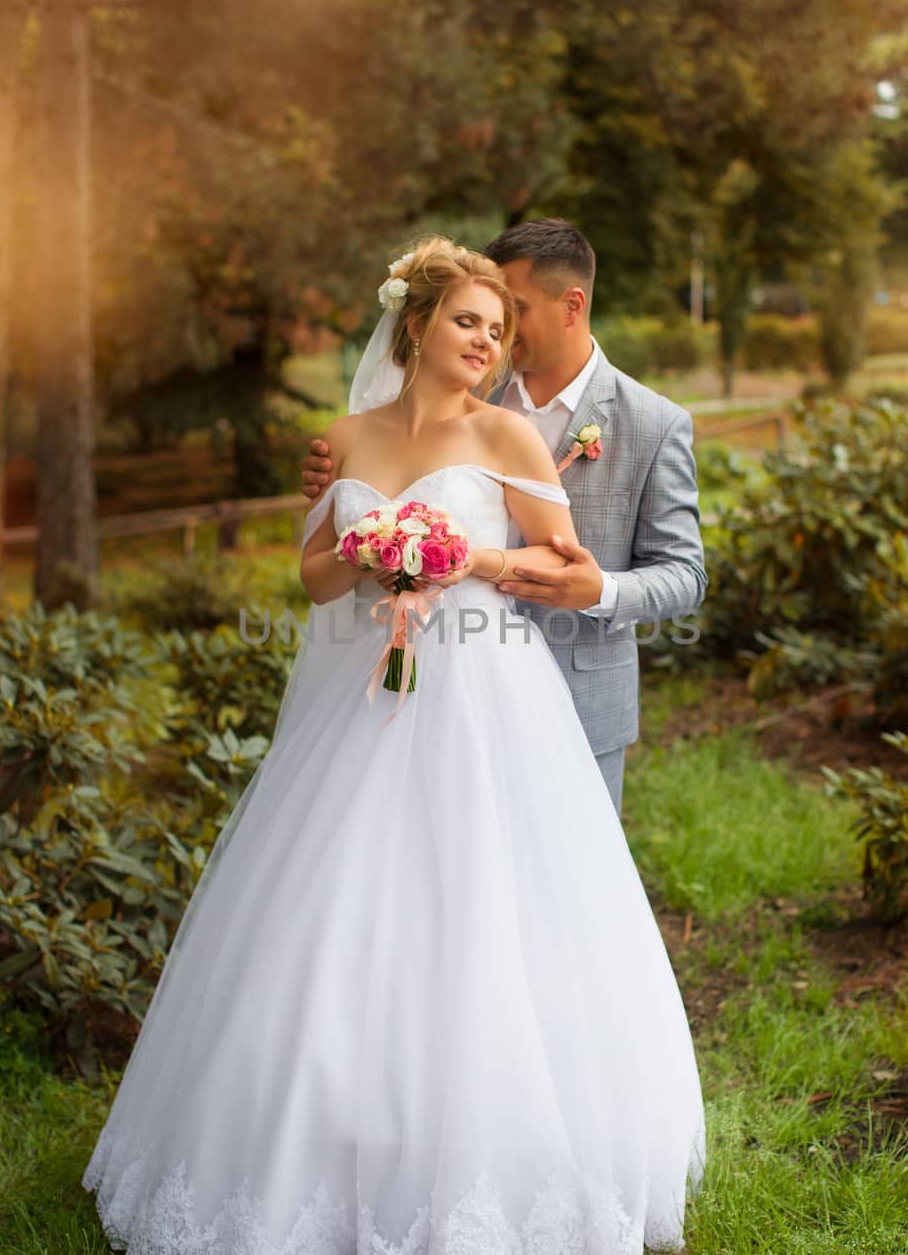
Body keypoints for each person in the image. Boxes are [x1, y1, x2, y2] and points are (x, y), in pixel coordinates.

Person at [81, 237, 706, 1255]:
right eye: (469, 321)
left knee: (478, 915)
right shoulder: (344, 440)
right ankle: (320, 1154)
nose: (486, 341)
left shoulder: (508, 433)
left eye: (498, 328)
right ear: (414, 324)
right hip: (360, 702)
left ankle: (483, 1157)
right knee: (334, 917)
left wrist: (462, 557)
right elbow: (314, 574)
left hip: (485, 699)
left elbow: (560, 565)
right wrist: (370, 557)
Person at [302, 219, 708, 816]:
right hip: (402, 678)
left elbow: (686, 574)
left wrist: (600, 589)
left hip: (571, 689)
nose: (495, 337)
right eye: (475, 320)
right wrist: (342, 504)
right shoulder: (460, 389)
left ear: (572, 305)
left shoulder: (654, 423)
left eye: (510, 313)